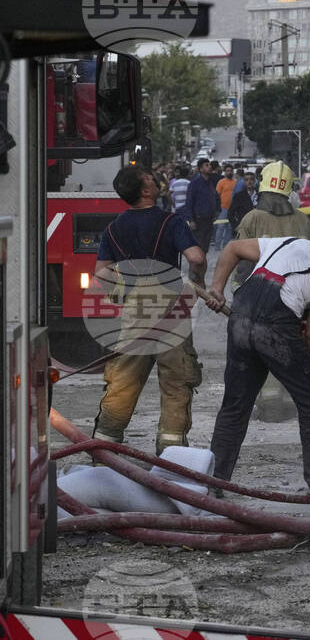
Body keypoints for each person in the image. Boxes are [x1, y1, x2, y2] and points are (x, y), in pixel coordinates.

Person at [204, 222, 310, 492]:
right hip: (274, 330)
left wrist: (217, 289)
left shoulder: (285, 241)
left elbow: (232, 248)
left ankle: (214, 482)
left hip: (241, 320)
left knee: (235, 406)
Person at [91, 165, 207, 454]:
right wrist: (199, 280)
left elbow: (102, 273)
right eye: (149, 179)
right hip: (170, 309)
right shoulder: (172, 222)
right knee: (177, 379)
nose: (155, 180)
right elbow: (196, 257)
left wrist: (122, 294)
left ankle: (104, 446)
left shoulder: (114, 228)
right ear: (145, 191)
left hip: (136, 311)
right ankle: (171, 452)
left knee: (125, 378)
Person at [185, 158, 219, 254]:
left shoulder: (210, 183)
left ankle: (201, 267)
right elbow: (189, 202)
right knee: (198, 248)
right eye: (206, 165)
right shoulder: (195, 183)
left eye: (209, 165)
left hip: (209, 220)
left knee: (205, 248)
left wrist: (217, 211)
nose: (210, 167)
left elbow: (216, 197)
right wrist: (191, 220)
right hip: (198, 220)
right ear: (201, 169)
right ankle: (194, 268)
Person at [214, 163, 237, 250]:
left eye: (231, 171)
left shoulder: (236, 182)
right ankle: (217, 246)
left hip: (232, 209)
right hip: (223, 208)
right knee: (220, 227)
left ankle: (226, 246)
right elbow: (216, 195)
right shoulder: (221, 182)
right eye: (227, 171)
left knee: (229, 228)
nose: (229, 172)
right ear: (225, 172)